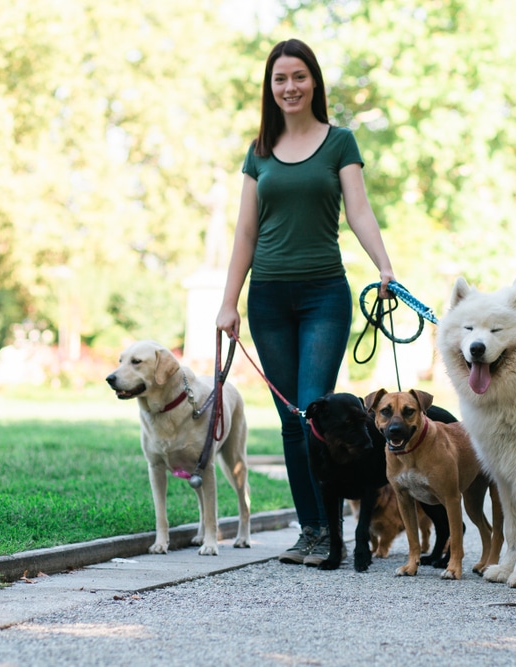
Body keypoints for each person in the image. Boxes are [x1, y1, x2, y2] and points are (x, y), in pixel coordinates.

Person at [215, 38, 395, 566]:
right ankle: (314, 530)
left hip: (324, 295)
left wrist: (384, 265)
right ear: (270, 88)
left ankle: (334, 533)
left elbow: (359, 210)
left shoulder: (340, 143)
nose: (289, 87)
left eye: (298, 77)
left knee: (316, 410)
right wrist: (230, 302)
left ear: (313, 81)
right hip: (268, 298)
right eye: (279, 79)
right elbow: (245, 232)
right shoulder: (259, 151)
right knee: (292, 420)